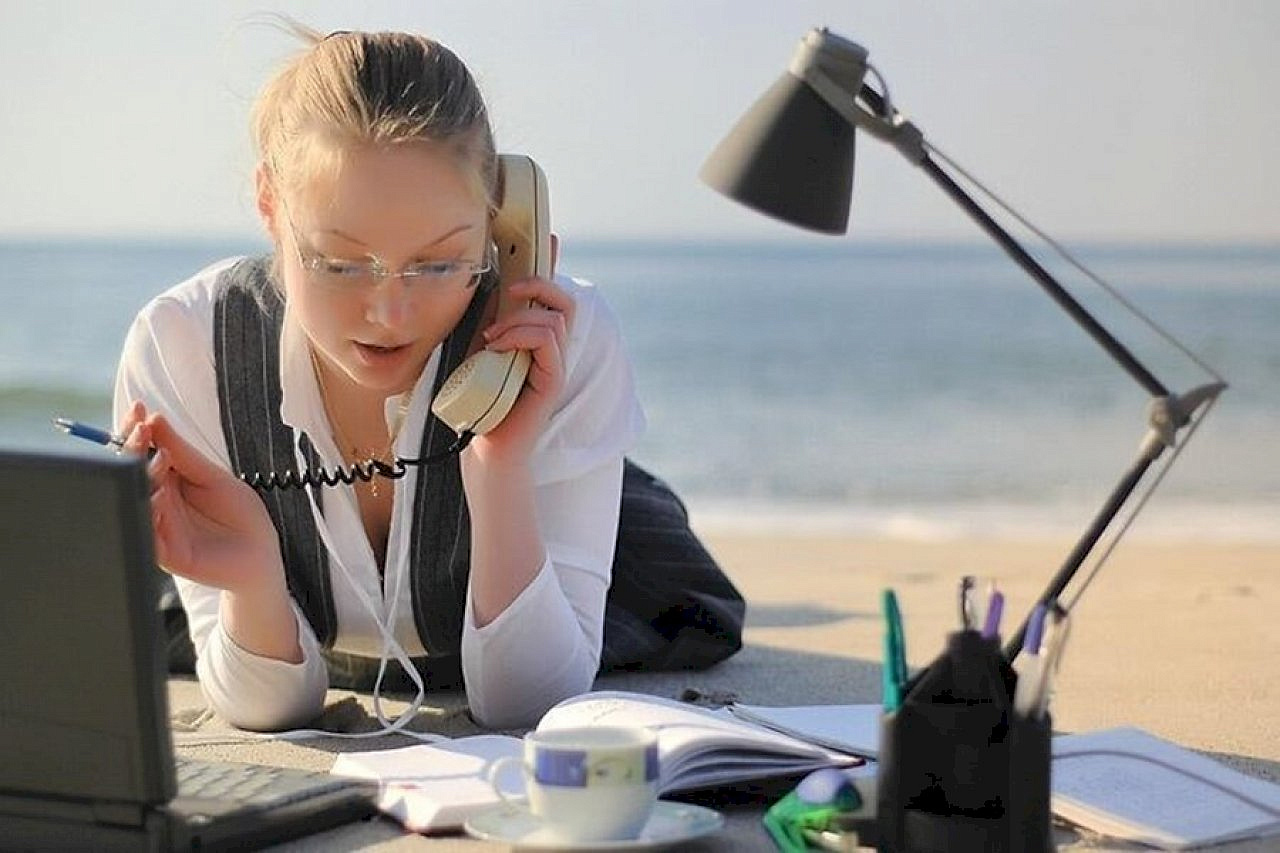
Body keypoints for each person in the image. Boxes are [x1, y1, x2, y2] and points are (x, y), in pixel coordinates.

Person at [112, 24, 743, 732]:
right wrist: (255, 577)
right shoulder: (181, 346)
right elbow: (267, 708)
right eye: (339, 263)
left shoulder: (567, 333)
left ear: (500, 222)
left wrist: (501, 471)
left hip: (562, 531)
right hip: (306, 629)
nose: (390, 313)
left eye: (439, 262)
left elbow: (532, 702)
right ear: (268, 205)